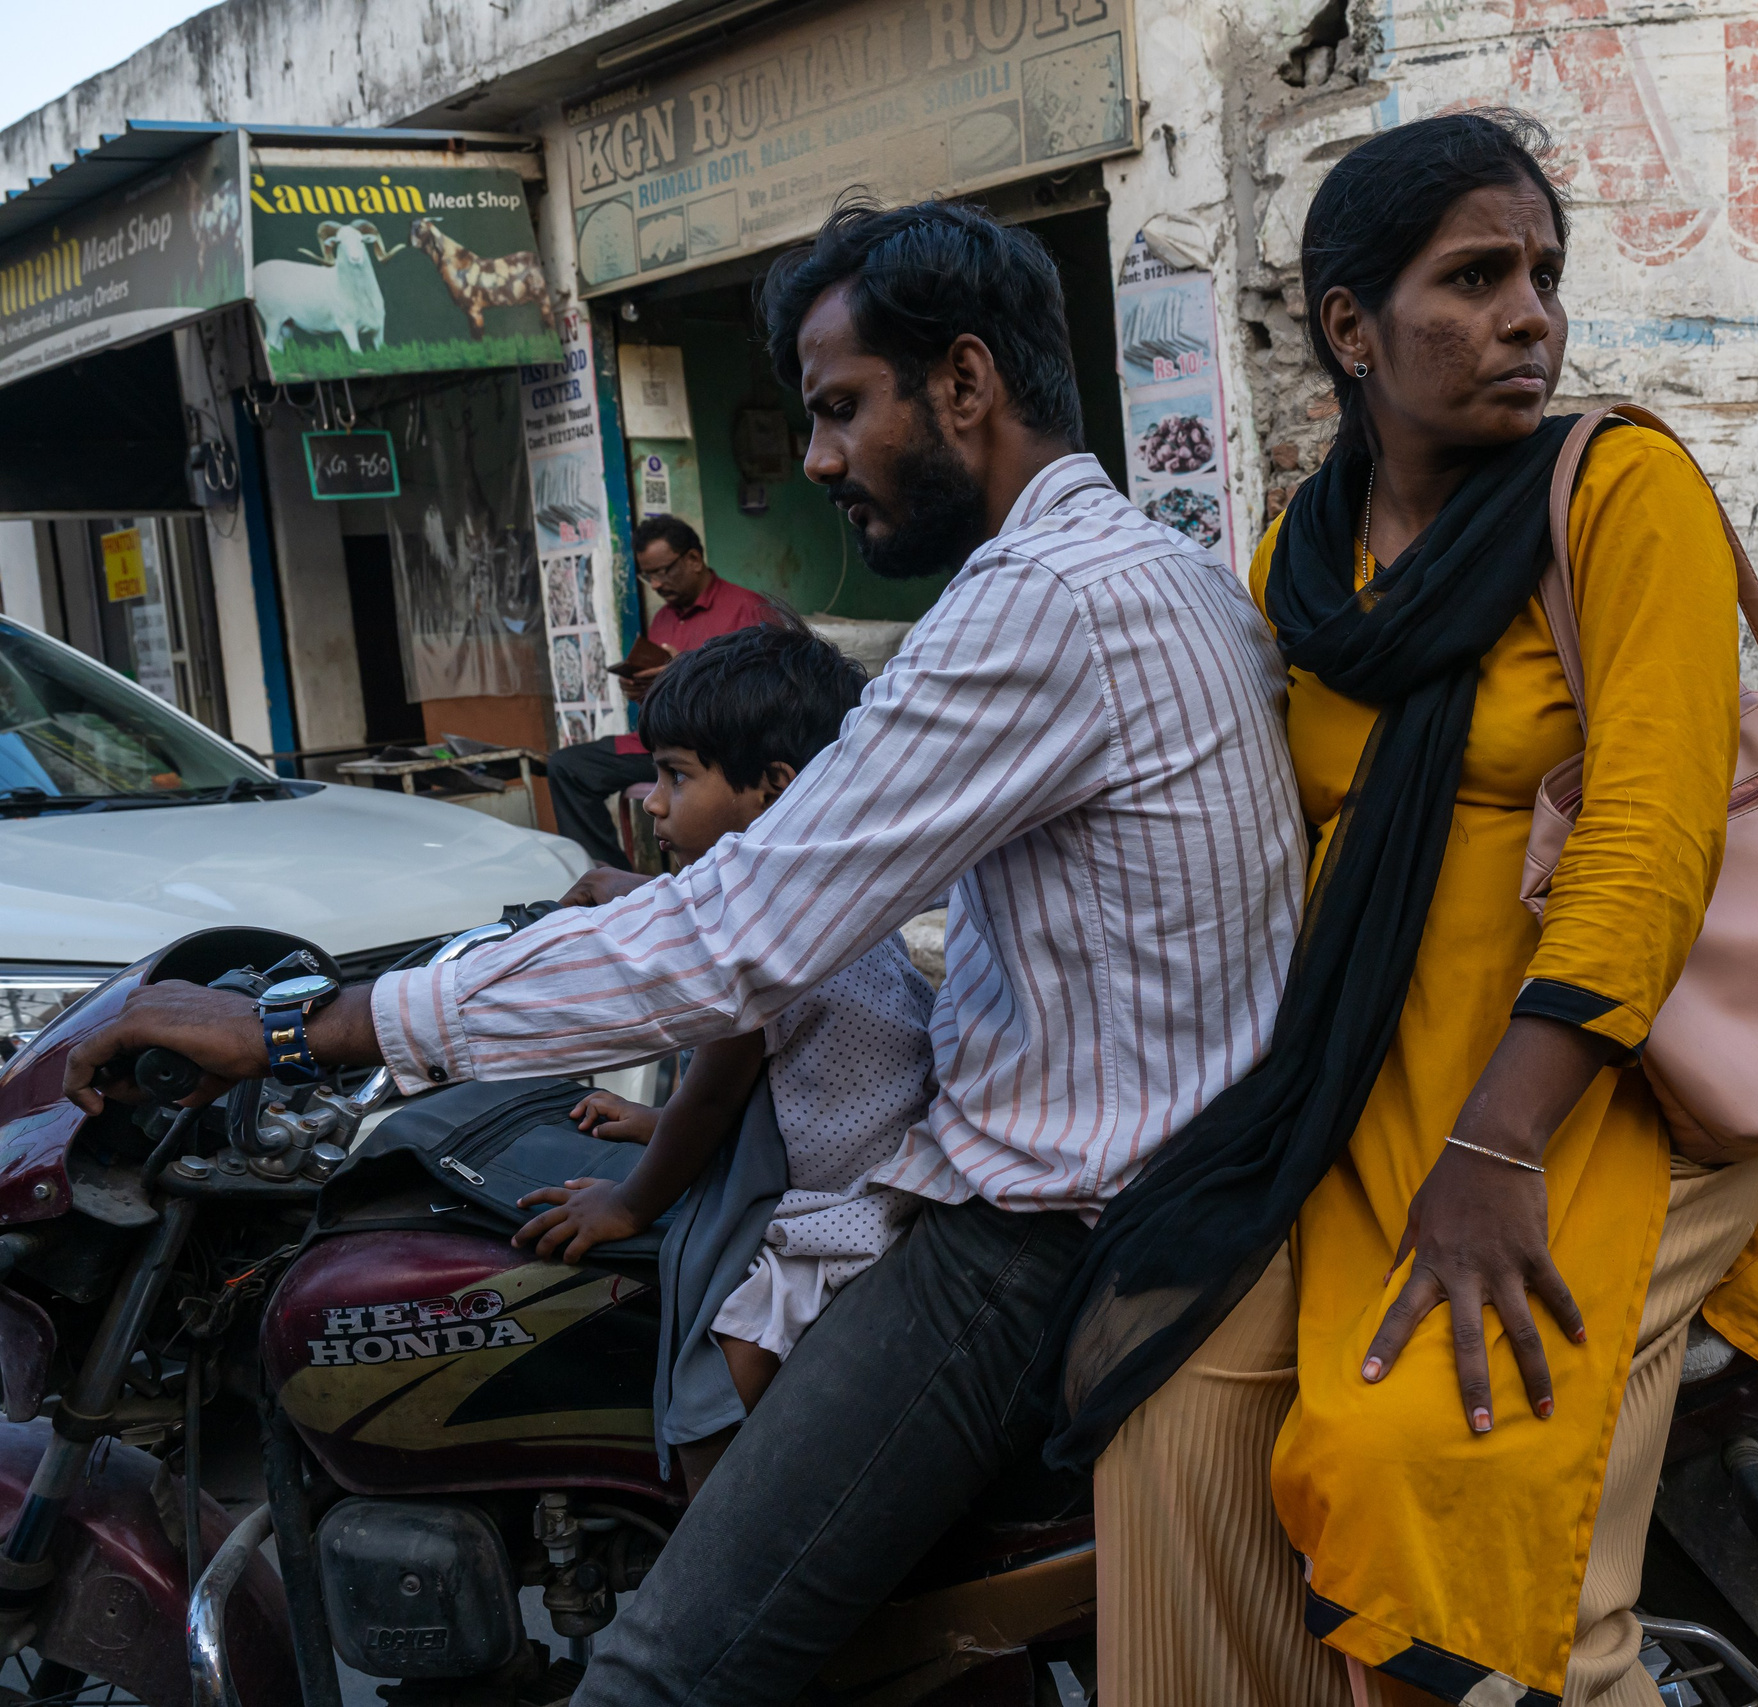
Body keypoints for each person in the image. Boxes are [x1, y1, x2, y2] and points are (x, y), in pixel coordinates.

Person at [67, 196, 1305, 1707]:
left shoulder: (1038, 606)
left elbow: (733, 937)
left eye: (843, 409)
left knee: (658, 1674)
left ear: (966, 384)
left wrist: (301, 1025)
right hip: (1168, 1173)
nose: (824, 460)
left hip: (1037, 1236)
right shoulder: (1167, 570)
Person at [1049, 112, 1758, 1706]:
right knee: (1161, 1405)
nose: (1530, 316)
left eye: (1543, 276)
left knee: (1420, 1462)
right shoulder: (1300, 556)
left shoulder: (1619, 491)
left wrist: (1501, 1144)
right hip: (1363, 1096)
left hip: (1599, 1094)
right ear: (1351, 328)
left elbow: (1650, 831)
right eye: (1475, 275)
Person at [511, 621, 936, 1498]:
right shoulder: (831, 890)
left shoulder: (753, 950)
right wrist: (657, 1122)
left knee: (713, 1396)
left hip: (851, 1212)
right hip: (872, 1157)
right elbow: (784, 1078)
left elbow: (713, 1100)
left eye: (676, 774)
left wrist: (629, 1202)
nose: (651, 801)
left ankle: (718, 1552)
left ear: (774, 791)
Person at [546, 515, 784, 870]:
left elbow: (767, 695)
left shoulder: (749, 608)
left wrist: (684, 673)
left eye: (664, 571)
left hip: (716, 746)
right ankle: (610, 879)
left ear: (693, 559)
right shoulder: (663, 620)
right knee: (568, 766)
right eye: (648, 575)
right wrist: (642, 689)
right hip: (661, 744)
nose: (656, 583)